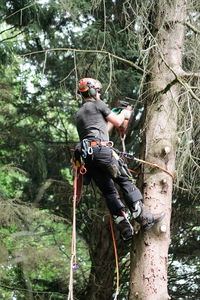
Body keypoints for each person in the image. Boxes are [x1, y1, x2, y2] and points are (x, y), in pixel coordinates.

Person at [75, 77, 165, 241]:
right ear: (92, 90)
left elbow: (102, 131)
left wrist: (115, 115)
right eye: (99, 90)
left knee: (109, 192)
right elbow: (118, 123)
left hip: (89, 158)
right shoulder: (98, 104)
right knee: (125, 179)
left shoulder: (80, 113)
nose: (100, 93)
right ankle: (143, 217)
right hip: (102, 151)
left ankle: (125, 228)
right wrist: (123, 113)